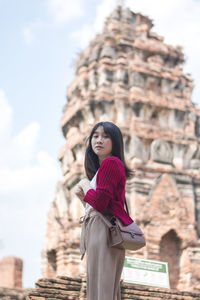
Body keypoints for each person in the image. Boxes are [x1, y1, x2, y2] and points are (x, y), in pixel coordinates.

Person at [75, 121, 134, 300]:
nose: (99, 140)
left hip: (104, 230)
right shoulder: (102, 169)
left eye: (106, 136)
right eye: (95, 136)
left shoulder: (111, 163)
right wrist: (84, 195)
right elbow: (97, 205)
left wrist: (85, 185)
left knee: (102, 290)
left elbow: (100, 204)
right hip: (97, 228)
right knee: (100, 289)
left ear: (115, 142)